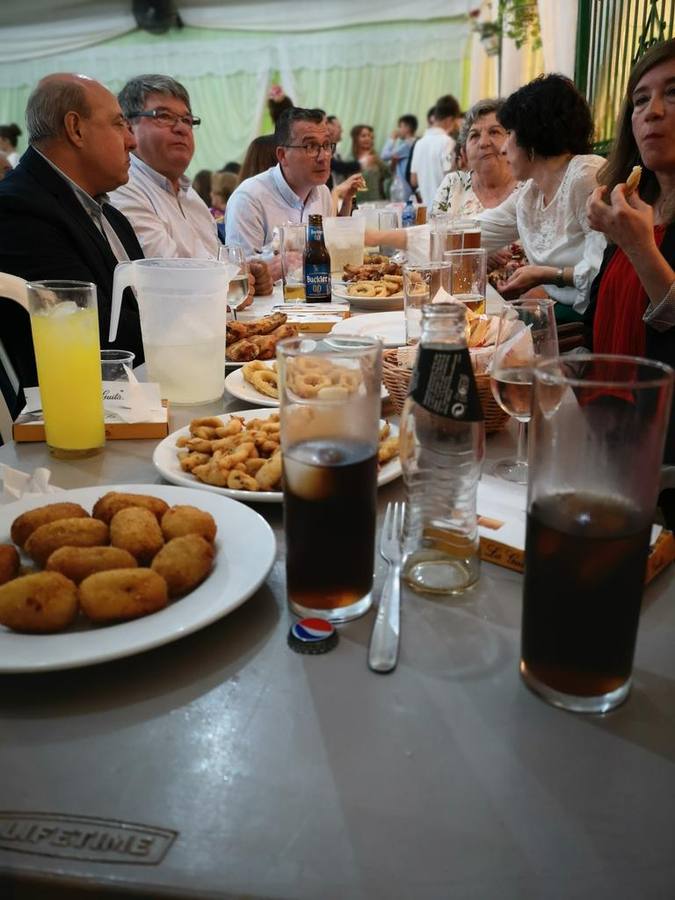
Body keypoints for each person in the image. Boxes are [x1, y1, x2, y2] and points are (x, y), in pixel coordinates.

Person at [0, 73, 144, 392]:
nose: (132, 141)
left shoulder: (111, 215)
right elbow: (96, 334)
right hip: (83, 407)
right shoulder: (17, 211)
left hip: (136, 390)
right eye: (119, 124)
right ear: (76, 129)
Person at [586, 38, 675, 508]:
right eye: (641, 99)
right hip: (607, 441)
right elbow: (605, 321)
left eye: (673, 94)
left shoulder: (635, 225)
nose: (652, 111)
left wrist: (639, 246)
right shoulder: (633, 203)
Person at [111, 74, 271, 297]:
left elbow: (218, 264)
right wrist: (230, 283)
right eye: (164, 116)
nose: (181, 128)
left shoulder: (190, 196)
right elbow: (167, 277)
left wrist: (248, 271)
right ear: (128, 127)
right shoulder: (124, 187)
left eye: (187, 120)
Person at [477, 74, 607, 322]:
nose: (503, 148)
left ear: (531, 136)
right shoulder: (530, 192)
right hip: (564, 313)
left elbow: (603, 272)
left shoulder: (585, 174)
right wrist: (387, 236)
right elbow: (476, 229)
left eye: (510, 133)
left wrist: (544, 275)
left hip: (595, 319)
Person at [225, 107, 361, 279]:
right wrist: (276, 265)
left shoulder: (323, 192)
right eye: (310, 146)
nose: (323, 157)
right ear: (282, 155)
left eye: (326, 145)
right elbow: (237, 273)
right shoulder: (249, 198)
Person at [409, 94, 460, 207]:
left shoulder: (419, 143)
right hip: (446, 210)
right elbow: (451, 178)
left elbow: (413, 180)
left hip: (426, 209)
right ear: (450, 119)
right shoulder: (447, 142)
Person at [381, 114, 418, 198]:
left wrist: (392, 138)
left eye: (400, 126)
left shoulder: (408, 144)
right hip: (407, 187)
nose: (398, 130)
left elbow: (384, 155)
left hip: (405, 187)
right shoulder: (411, 142)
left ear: (407, 127)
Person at [349, 124, 388, 201]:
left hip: (376, 201)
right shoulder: (350, 160)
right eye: (363, 136)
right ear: (356, 139)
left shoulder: (376, 157)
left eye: (369, 136)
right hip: (357, 203)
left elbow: (388, 174)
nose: (367, 139)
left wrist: (378, 161)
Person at [326, 115, 360, 188]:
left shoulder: (337, 150)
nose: (342, 130)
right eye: (339, 127)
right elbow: (339, 167)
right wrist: (361, 163)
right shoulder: (325, 151)